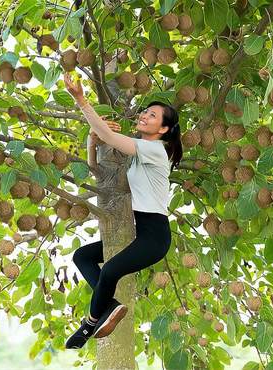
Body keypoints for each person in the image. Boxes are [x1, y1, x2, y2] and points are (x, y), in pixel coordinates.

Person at [62, 72, 183, 349]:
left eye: (152, 116)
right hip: (140, 233)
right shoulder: (140, 155)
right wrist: (93, 140)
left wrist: (81, 100)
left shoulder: (156, 150)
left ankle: (89, 325)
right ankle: (111, 306)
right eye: (145, 112)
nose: (144, 116)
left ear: (163, 129)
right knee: (82, 256)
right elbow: (95, 167)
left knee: (110, 272)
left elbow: (111, 137)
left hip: (155, 237)